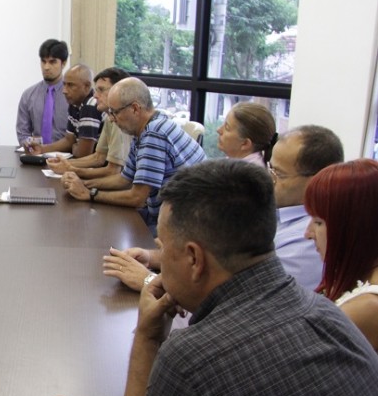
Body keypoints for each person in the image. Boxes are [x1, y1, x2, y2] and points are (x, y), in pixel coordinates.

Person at [34, 160, 378, 396]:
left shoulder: (197, 356)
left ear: (195, 259)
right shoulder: (328, 315)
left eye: (164, 247)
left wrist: (148, 337)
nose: (159, 259)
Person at [106, 125, 342, 292]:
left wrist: (149, 282)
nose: (270, 179)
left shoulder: (310, 239)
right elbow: (222, 258)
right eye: (271, 169)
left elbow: (248, 301)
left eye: (279, 174)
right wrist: (154, 258)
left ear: (317, 179)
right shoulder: (273, 207)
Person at [61, 77, 205, 233]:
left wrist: (90, 194)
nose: (111, 119)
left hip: (182, 227)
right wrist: (83, 184)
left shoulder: (153, 133)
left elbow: (137, 198)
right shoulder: (147, 128)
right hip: (164, 216)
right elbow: (124, 179)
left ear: (135, 109)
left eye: (114, 112)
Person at [305, 158, 378, 351]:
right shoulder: (360, 280)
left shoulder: (367, 307)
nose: (308, 233)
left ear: (353, 227)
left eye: (319, 222)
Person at [47, 67, 131, 179]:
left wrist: (74, 171)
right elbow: (98, 157)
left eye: (101, 90)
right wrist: (65, 164)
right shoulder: (109, 118)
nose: (95, 95)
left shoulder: (122, 120)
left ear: (118, 91)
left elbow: (113, 171)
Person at [28, 64, 102, 158]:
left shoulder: (90, 106)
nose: (64, 91)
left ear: (87, 86)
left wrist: (74, 148)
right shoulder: (74, 104)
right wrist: (42, 149)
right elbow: (69, 140)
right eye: (64, 84)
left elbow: (83, 154)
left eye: (70, 85)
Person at [15, 39, 70, 148]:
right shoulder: (28, 95)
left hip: (66, 156)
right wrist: (29, 144)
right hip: (35, 156)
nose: (46, 67)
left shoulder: (72, 96)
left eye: (52, 62)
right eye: (43, 61)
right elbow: (22, 133)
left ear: (63, 63)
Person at [215, 102, 277, 166]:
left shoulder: (247, 174)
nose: (218, 130)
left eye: (227, 128)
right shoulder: (235, 163)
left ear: (245, 143)